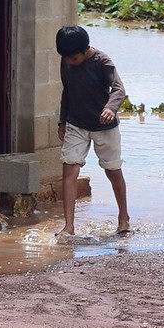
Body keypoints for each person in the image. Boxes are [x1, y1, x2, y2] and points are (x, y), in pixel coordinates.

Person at [55, 25, 130, 236]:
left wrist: (110, 108)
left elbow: (119, 89)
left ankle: (123, 218)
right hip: (76, 123)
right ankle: (69, 226)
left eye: (74, 59)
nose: (70, 63)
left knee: (113, 170)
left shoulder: (102, 62)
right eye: (66, 59)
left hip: (104, 125)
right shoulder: (66, 59)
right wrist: (62, 121)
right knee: (69, 167)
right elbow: (67, 91)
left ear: (86, 49)